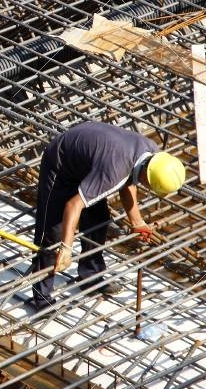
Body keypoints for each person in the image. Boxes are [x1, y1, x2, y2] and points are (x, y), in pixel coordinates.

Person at [27, 121, 186, 311]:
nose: (148, 188)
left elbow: (128, 180)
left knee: (99, 219)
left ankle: (91, 276)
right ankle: (41, 298)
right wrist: (66, 247)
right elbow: (73, 205)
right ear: (148, 176)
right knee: (53, 233)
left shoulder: (152, 155)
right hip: (60, 163)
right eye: (150, 186)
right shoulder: (116, 170)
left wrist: (137, 222)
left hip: (90, 162)